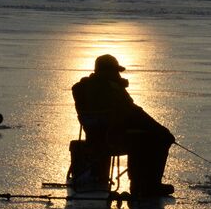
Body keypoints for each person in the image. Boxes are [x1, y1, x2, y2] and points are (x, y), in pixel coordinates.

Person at [72, 54, 175, 197]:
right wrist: (161, 130)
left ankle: (142, 183)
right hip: (114, 140)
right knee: (158, 138)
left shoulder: (81, 88)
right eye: (114, 71)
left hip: (94, 140)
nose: (117, 74)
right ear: (105, 71)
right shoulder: (112, 89)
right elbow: (134, 113)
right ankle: (147, 185)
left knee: (140, 136)